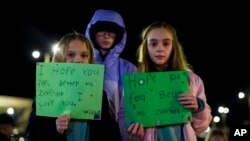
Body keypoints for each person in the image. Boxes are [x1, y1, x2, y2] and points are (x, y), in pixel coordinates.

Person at [118, 21, 212, 141]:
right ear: (146, 47)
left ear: (174, 47)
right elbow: (123, 117)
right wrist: (132, 134)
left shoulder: (191, 80)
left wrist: (198, 107)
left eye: (166, 43)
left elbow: (202, 126)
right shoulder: (134, 82)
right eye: (153, 44)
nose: (160, 49)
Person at [26, 32, 97, 141]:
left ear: (90, 60)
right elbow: (32, 135)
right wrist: (55, 129)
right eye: (70, 55)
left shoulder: (99, 94)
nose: (77, 60)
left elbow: (106, 133)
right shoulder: (45, 93)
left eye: (83, 55)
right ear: (60, 58)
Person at [85, 9, 137, 140]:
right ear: (93, 32)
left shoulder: (129, 69)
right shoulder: (82, 65)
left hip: (117, 136)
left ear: (119, 35)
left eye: (112, 31)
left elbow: (133, 108)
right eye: (101, 30)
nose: (107, 36)